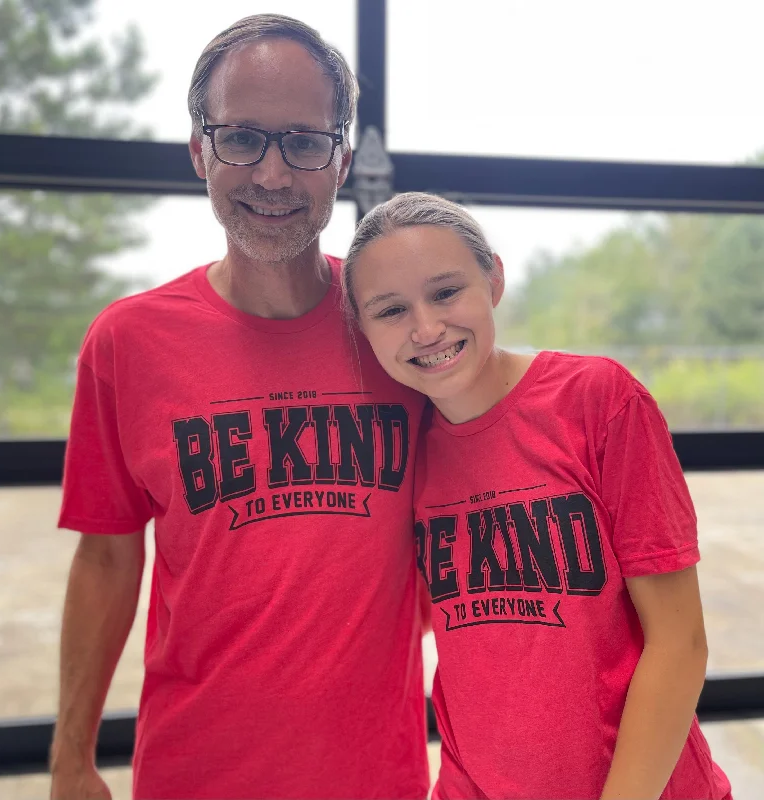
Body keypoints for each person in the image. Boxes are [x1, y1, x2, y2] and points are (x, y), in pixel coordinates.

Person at [49, 17, 430, 800]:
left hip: (376, 780)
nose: (274, 174)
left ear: (342, 161)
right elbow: (107, 557)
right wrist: (70, 757)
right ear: (199, 150)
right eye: (243, 139)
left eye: (303, 142)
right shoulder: (128, 342)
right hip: (194, 775)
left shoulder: (399, 333)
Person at [342, 192, 733, 800]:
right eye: (390, 310)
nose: (425, 328)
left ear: (493, 278)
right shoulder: (405, 450)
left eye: (446, 292)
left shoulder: (597, 400)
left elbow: (679, 643)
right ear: (363, 330)